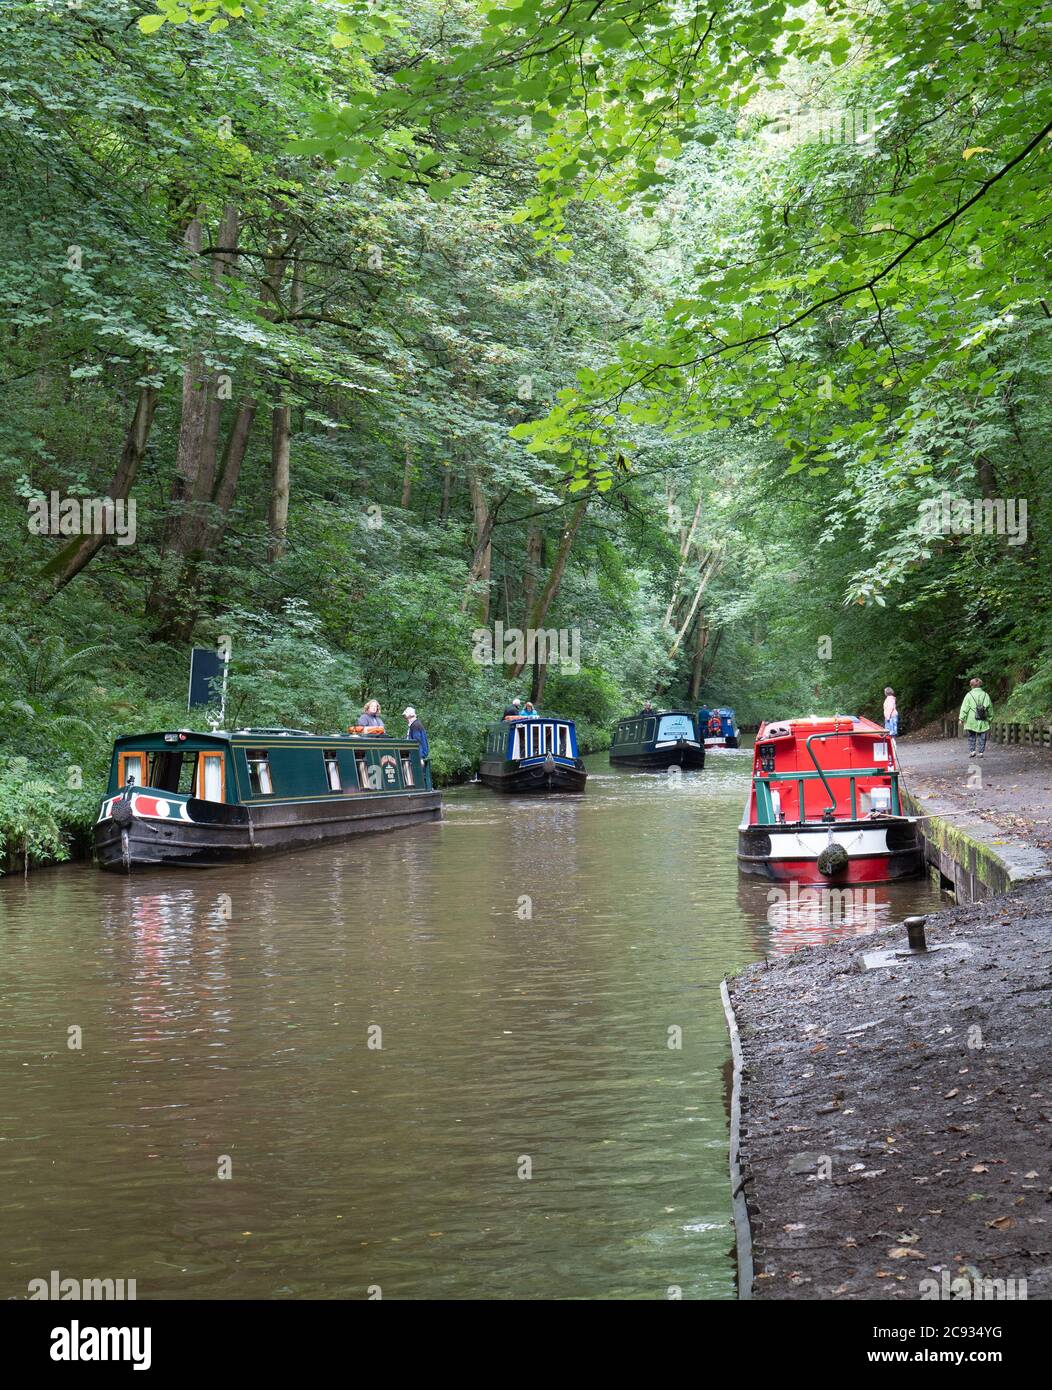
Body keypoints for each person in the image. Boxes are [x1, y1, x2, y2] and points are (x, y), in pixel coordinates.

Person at [960, 678, 992, 758]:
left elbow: (964, 708)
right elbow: (990, 708)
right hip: (983, 718)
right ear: (980, 685)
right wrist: (990, 718)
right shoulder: (985, 694)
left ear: (971, 685)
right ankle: (981, 752)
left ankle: (972, 751)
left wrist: (961, 718)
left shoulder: (968, 695)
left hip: (971, 719)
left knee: (971, 735)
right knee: (982, 736)